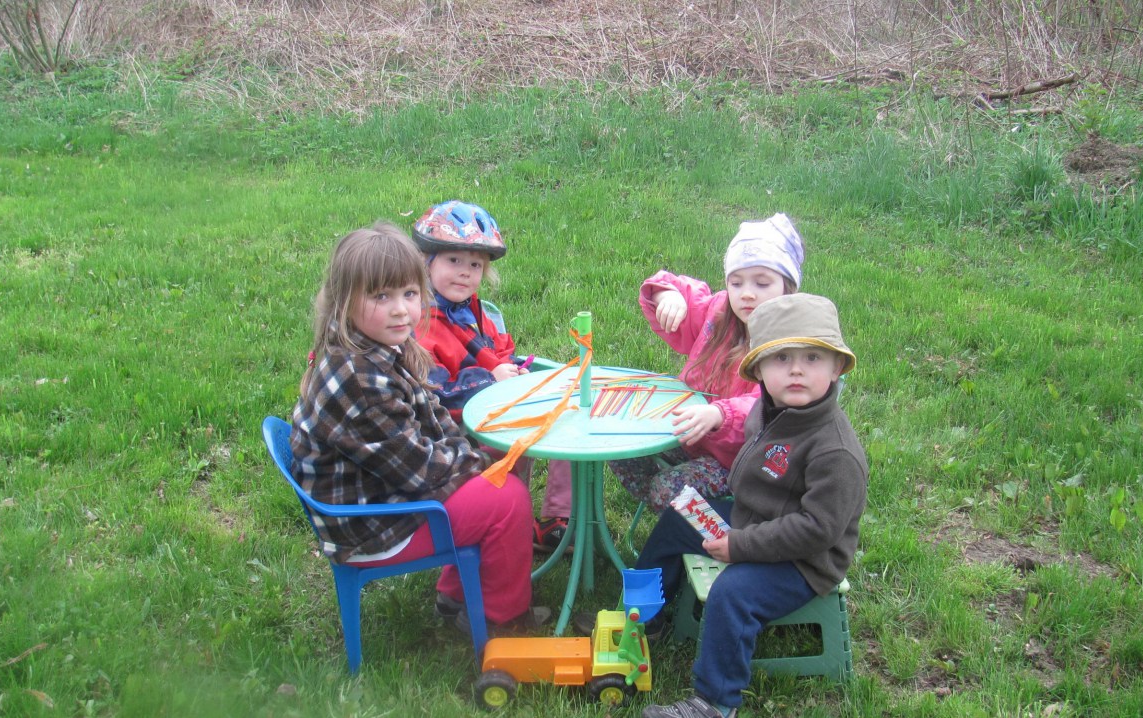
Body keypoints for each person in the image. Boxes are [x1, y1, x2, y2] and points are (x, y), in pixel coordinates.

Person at [288, 221, 548, 632]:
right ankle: (502, 621)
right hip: (372, 523)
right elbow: (421, 471)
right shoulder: (360, 379)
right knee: (507, 497)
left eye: (409, 294)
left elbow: (432, 413)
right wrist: (479, 464)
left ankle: (457, 593)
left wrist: (473, 456)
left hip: (381, 489)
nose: (400, 309)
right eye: (381, 296)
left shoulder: (377, 345)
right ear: (344, 300)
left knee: (498, 466)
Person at [638, 293, 868, 718]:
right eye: (781, 358)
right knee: (677, 518)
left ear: (837, 367)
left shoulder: (834, 450)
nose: (796, 369)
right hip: (753, 522)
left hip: (802, 561)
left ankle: (715, 701)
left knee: (733, 593)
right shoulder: (767, 410)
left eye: (813, 358)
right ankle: (643, 618)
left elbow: (817, 529)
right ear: (758, 369)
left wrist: (740, 546)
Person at [610, 213, 806, 514]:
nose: (747, 293)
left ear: (787, 287)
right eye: (736, 282)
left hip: (739, 460)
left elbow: (770, 408)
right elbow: (686, 297)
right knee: (618, 444)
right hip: (689, 436)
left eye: (762, 283)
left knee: (667, 490)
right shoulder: (720, 312)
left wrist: (720, 413)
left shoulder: (788, 346)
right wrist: (667, 295)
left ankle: (709, 528)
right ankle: (674, 511)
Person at [410, 200, 573, 553]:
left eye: (475, 265)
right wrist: (491, 380)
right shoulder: (419, 323)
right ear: (427, 261)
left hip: (494, 407)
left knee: (566, 410)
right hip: (452, 432)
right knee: (515, 439)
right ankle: (505, 524)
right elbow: (436, 395)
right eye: (454, 260)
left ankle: (558, 516)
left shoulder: (475, 311)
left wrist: (514, 369)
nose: (465, 273)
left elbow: (500, 350)